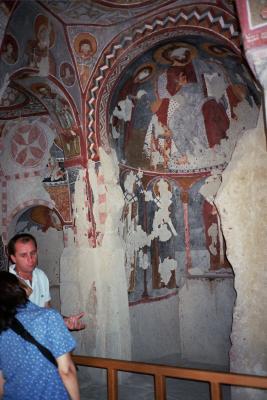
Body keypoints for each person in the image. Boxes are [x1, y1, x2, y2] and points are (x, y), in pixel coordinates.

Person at [0, 271, 80, 400]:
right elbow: (66, 370)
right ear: (17, 289)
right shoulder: (48, 317)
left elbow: (1, 380)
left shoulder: (2, 328)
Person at [8, 233, 85, 331]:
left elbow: (46, 310)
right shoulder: (7, 283)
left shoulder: (40, 275)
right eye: (23, 255)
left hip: (40, 336)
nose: (30, 259)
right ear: (13, 258)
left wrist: (65, 321)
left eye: (33, 253)